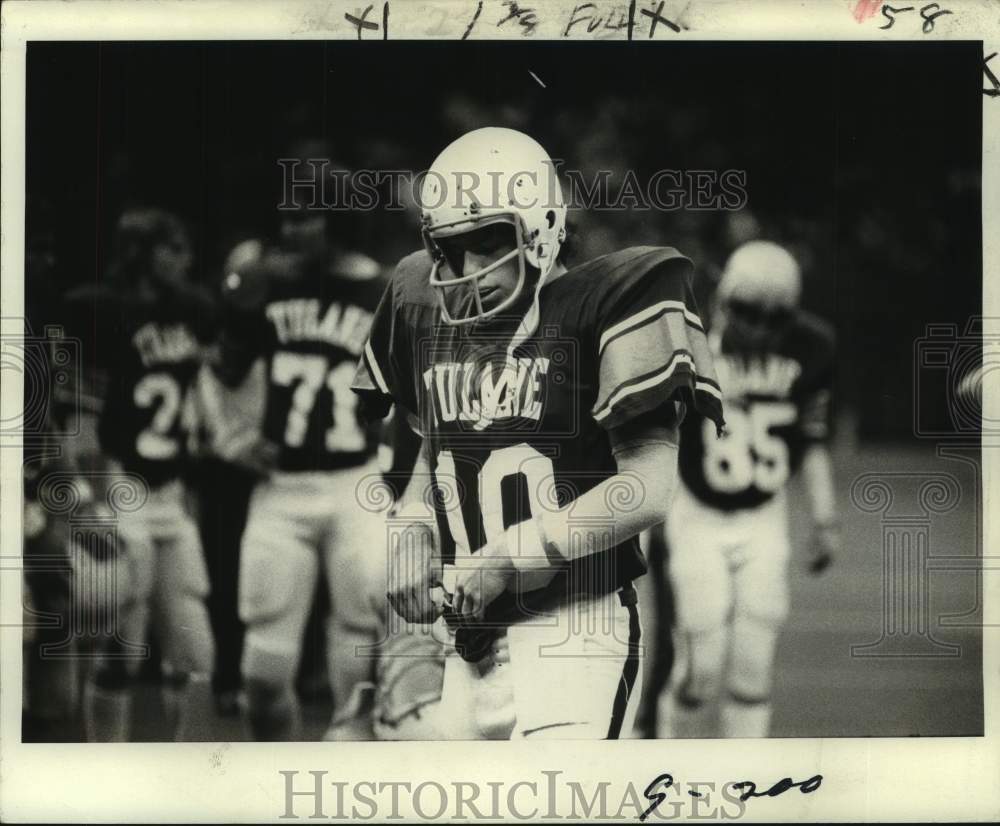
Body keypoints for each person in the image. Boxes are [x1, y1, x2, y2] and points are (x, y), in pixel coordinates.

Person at [352, 126, 724, 739]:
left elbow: (650, 486)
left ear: (540, 227)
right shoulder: (421, 302)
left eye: (487, 242)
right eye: (449, 248)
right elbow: (435, 446)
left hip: (572, 629)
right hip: (464, 638)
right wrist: (413, 530)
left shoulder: (605, 303)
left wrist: (508, 555)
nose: (465, 270)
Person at [212, 160, 387, 741]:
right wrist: (233, 437)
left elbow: (415, 396)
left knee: (358, 670)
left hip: (355, 484)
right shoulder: (269, 282)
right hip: (282, 488)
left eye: (304, 217)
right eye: (284, 217)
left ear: (337, 220)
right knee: (262, 676)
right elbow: (222, 369)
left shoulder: (383, 289)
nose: (289, 231)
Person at [659, 239, 838, 738]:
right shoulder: (689, 344)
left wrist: (824, 518)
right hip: (696, 512)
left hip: (764, 514)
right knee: (702, 667)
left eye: (772, 317)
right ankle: (668, 773)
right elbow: (654, 438)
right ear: (723, 302)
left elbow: (813, 438)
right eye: (746, 312)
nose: (758, 327)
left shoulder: (812, 348)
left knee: (753, 666)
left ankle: (746, 782)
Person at [69, 207, 216, 741]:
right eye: (173, 248)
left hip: (174, 498)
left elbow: (202, 403)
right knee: (118, 651)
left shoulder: (193, 310)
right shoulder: (102, 310)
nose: (185, 260)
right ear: (144, 252)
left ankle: (187, 777)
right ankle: (107, 772)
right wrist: (95, 503)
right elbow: (84, 415)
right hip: (122, 488)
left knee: (197, 655)